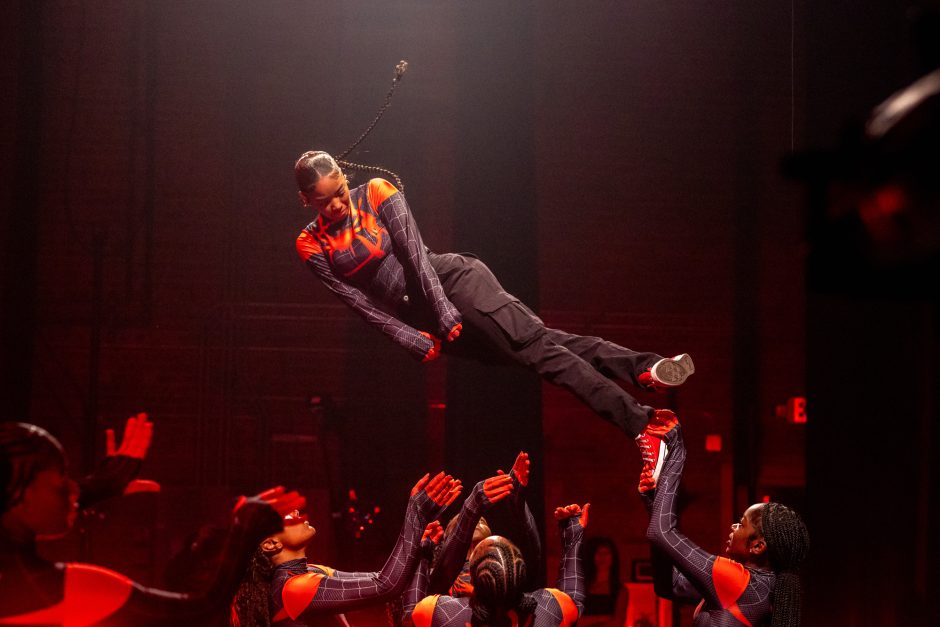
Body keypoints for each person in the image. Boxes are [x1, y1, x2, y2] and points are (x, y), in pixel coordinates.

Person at [293, 151, 695, 450]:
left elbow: (416, 258)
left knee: (540, 353)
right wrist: (411, 337)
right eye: (324, 200)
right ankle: (646, 368)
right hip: (428, 319)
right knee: (543, 347)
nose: (337, 204)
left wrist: (444, 309)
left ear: (345, 178)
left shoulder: (378, 192)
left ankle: (644, 426)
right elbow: (359, 304)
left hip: (454, 284)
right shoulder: (310, 243)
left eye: (340, 191)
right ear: (306, 200)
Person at [0, 421, 303, 626]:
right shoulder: (57, 588)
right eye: (59, 482)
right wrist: (245, 530)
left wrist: (98, 486)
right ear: (20, 495)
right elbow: (203, 614)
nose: (72, 489)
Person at [637, 414, 810, 627]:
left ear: (758, 545)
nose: (733, 526)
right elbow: (669, 585)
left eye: (741, 523)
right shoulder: (760, 589)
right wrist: (654, 501)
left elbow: (661, 532)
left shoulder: (738, 582)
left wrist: (677, 449)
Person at [231, 472, 462, 626]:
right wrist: (415, 514)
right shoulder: (292, 589)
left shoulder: (307, 572)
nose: (297, 513)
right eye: (284, 516)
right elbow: (386, 585)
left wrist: (420, 539)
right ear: (271, 544)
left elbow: (388, 581)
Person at [404, 502, 588, 627]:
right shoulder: (548, 608)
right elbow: (573, 601)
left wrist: (422, 554)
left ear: (475, 582)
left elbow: (410, 616)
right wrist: (572, 540)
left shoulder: (441, 613)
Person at [428, 452, 539, 598]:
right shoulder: (438, 575)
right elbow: (439, 577)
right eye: (468, 524)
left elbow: (533, 556)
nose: (478, 522)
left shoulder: (498, 568)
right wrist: (470, 508)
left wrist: (518, 503)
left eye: (481, 520)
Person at [579, 537, 628, 627]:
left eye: (607, 553)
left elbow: (618, 622)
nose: (603, 557)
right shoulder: (582, 587)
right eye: (599, 553)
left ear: (613, 558)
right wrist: (601, 618)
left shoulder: (620, 591)